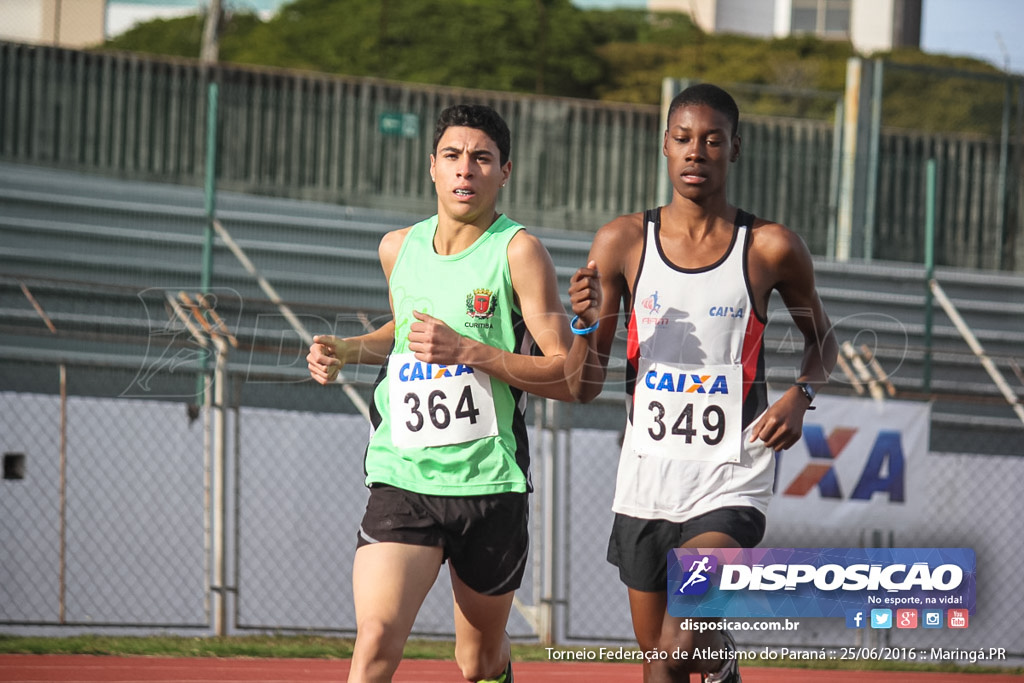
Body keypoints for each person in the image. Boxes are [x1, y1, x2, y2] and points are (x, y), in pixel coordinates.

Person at [307, 104, 598, 683]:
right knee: (376, 641)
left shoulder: (517, 251)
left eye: (481, 158)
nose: (466, 170)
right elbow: (404, 334)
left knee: (478, 659)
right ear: (432, 168)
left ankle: (498, 666)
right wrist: (347, 349)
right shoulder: (398, 248)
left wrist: (471, 351)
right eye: (453, 156)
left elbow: (566, 374)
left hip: (488, 484)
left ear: (504, 172)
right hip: (404, 478)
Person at [568, 83, 838, 683]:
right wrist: (585, 324)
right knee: (661, 660)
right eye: (684, 139)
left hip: (732, 474)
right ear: (665, 146)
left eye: (712, 140)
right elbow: (587, 383)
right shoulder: (622, 241)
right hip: (648, 474)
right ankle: (723, 667)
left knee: (675, 636)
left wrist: (802, 395)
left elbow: (825, 341)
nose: (697, 151)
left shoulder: (771, 247)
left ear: (734, 149)